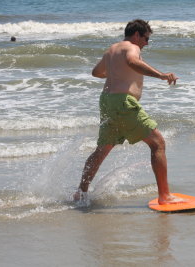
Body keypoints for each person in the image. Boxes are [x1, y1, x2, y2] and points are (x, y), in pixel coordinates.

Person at [74, 19, 183, 205]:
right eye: (146, 38)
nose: (147, 43)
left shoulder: (111, 49)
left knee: (102, 150)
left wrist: (117, 72)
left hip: (107, 101)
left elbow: (96, 72)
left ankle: (80, 193)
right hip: (123, 102)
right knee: (158, 143)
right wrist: (161, 75)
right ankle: (165, 196)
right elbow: (132, 61)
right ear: (136, 35)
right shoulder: (132, 48)